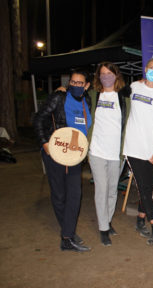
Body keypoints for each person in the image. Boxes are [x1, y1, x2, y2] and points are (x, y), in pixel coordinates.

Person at [33, 69, 92, 252]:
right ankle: (68, 236)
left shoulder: (86, 101)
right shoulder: (59, 98)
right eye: (72, 82)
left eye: (79, 83)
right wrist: (44, 143)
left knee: (74, 195)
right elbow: (38, 119)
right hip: (55, 153)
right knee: (59, 195)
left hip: (74, 155)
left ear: (86, 86)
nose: (75, 85)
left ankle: (67, 234)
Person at [122, 57, 153, 245]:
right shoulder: (134, 87)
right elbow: (115, 91)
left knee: (147, 189)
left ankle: (139, 220)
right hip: (133, 148)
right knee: (143, 188)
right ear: (145, 69)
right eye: (151, 68)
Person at [89, 62, 128, 246]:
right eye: (102, 74)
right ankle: (103, 229)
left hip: (116, 153)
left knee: (112, 190)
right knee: (101, 189)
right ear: (98, 76)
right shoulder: (93, 95)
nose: (106, 76)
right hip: (96, 150)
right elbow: (73, 94)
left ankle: (108, 221)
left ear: (116, 75)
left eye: (109, 73)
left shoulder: (123, 97)